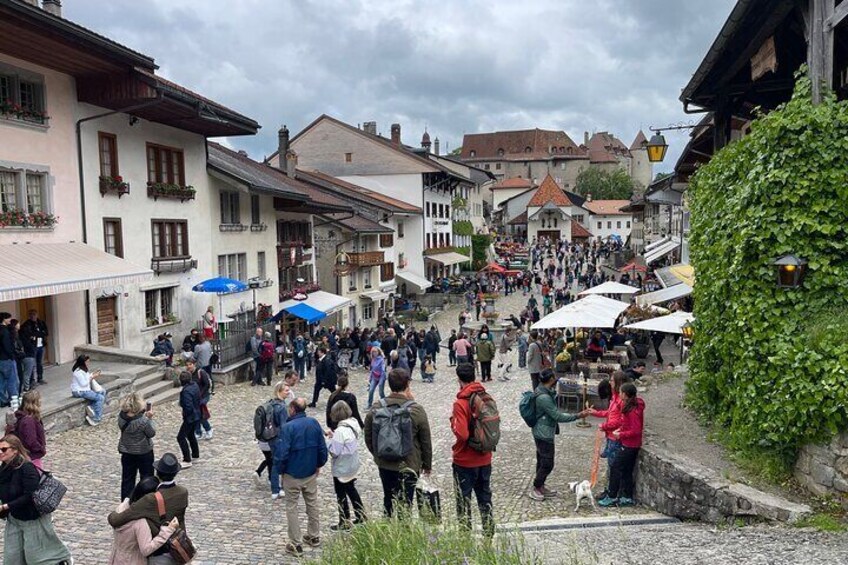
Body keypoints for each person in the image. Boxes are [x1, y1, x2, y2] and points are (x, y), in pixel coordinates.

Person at [364, 368, 433, 517]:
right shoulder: (416, 410)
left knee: (388, 499)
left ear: (389, 385)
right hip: (409, 464)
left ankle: (386, 529)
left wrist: (378, 453)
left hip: (385, 463)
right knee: (406, 503)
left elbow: (368, 436)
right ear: (407, 385)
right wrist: (427, 464)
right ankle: (403, 531)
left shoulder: (377, 407)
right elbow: (426, 440)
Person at [0, 435, 72, 564]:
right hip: (15, 518)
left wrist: (6, 506)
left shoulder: (27, 468)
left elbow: (29, 495)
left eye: (4, 449)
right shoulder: (4, 468)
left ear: (15, 450)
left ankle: (62, 561)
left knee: (37, 558)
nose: (0, 452)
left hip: (32, 518)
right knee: (12, 559)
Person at [107, 452, 189, 565]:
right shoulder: (183, 492)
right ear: (175, 473)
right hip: (177, 548)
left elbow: (116, 520)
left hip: (159, 551)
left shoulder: (150, 499)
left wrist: (118, 509)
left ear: (157, 472)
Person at [275, 397, 328, 557]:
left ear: (292, 409)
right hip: (310, 471)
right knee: (312, 504)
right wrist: (319, 464)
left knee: (292, 507)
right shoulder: (313, 423)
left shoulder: (288, 428)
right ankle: (314, 535)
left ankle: (296, 543)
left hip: (292, 473)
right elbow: (322, 447)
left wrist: (280, 470)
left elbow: (282, 453)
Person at [450, 363, 494, 537]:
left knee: (463, 501)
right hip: (485, 458)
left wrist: (452, 422)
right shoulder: (486, 397)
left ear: (459, 379)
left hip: (465, 460)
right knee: (485, 497)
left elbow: (462, 434)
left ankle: (465, 536)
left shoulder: (461, 403)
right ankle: (489, 532)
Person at [529, 369, 584, 501]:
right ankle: (536, 487)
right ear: (551, 379)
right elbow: (557, 415)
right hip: (543, 433)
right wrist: (577, 416)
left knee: (542, 460)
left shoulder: (544, 391)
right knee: (548, 463)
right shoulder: (544, 397)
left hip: (543, 430)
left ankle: (540, 485)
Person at [108, 476, 177, 565]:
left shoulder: (123, 507)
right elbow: (146, 549)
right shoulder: (140, 522)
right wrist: (168, 530)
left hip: (117, 558)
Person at [598, 382, 644, 507]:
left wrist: (621, 434)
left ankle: (612, 496)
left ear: (625, 394)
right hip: (631, 443)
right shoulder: (631, 406)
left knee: (615, 467)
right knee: (627, 470)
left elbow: (636, 430)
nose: (619, 394)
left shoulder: (632, 410)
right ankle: (627, 496)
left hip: (629, 445)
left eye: (621, 392)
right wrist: (622, 430)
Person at [327, 400, 366, 530]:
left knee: (341, 494)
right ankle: (361, 514)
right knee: (351, 489)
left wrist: (329, 441)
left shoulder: (340, 431)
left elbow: (334, 452)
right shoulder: (353, 424)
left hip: (342, 466)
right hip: (352, 464)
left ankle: (344, 520)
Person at [589, 371, 628, 500]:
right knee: (611, 466)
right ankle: (609, 490)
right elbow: (610, 413)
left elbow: (619, 421)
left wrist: (604, 426)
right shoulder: (615, 397)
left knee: (614, 466)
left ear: (618, 383)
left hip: (615, 438)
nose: (610, 383)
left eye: (612, 381)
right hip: (610, 436)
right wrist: (596, 413)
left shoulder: (621, 401)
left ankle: (612, 494)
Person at [117, 391, 156, 501]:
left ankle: (126, 502)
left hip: (127, 452)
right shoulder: (143, 421)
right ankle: (146, 502)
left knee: (127, 479)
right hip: (144, 452)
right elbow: (151, 433)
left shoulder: (121, 417)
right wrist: (149, 419)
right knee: (147, 478)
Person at [259, 380, 291, 499]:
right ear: (279, 391)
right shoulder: (282, 407)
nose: (288, 392)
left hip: (270, 437)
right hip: (279, 438)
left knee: (274, 463)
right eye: (286, 390)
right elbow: (284, 426)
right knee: (282, 463)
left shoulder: (270, 403)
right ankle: (280, 488)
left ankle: (274, 490)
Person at [5, 390, 46, 471]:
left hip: (27, 455)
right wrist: (40, 449)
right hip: (31, 456)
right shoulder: (28, 420)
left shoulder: (24, 417)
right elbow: (30, 441)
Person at [71, 354, 106, 426]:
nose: (88, 363)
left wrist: (92, 374)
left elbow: (87, 377)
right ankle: (96, 419)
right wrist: (92, 377)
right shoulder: (77, 372)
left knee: (102, 392)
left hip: (85, 390)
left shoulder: (84, 369)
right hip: (80, 391)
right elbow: (83, 384)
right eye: (87, 362)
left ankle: (92, 408)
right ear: (83, 362)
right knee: (100, 398)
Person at [177, 371, 201, 467]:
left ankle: (187, 459)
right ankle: (195, 454)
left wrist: (185, 415)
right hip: (197, 414)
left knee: (181, 437)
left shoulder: (186, 391)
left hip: (190, 417)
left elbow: (188, 406)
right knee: (191, 434)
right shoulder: (195, 385)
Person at [185, 359, 213, 441]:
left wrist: (200, 394)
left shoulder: (201, 372)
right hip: (194, 398)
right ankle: (198, 432)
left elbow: (206, 384)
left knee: (200, 414)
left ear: (194, 364)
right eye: (187, 365)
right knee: (195, 415)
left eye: (190, 364)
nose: (188, 366)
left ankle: (208, 429)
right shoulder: (188, 374)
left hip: (203, 396)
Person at [20, 310, 48, 386]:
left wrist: (36, 334)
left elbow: (46, 333)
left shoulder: (41, 323)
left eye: (34, 314)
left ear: (37, 315)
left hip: (41, 345)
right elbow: (28, 334)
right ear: (29, 316)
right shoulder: (26, 324)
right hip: (32, 347)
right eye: (31, 315)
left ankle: (40, 378)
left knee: (40, 363)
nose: (33, 316)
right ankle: (32, 380)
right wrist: (38, 334)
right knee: (31, 364)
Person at [0, 313, 20, 410]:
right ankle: (14, 400)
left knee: (1, 381)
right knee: (12, 381)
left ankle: (2, 400)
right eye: (8, 318)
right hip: (6, 359)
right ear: (4, 319)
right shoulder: (5, 331)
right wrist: (12, 355)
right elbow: (7, 346)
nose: (10, 320)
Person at [17, 317, 37, 393]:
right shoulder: (26, 339)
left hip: (25, 356)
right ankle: (26, 388)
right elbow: (30, 346)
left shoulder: (20, 337)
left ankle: (27, 386)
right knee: (27, 373)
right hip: (28, 356)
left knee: (26, 372)